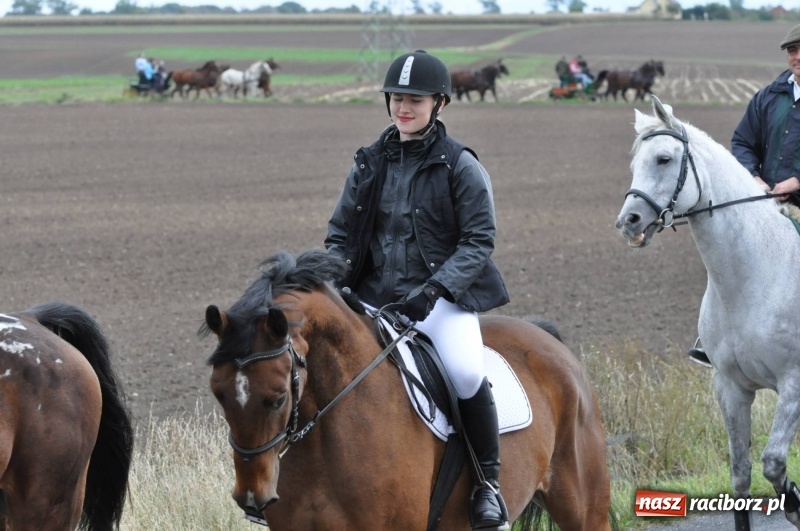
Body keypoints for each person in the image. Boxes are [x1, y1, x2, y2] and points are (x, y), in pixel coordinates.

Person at [325, 49, 511, 530]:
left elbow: (478, 240)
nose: (403, 108)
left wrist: (434, 290)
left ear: (439, 104)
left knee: (466, 372)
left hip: (440, 301)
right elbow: (340, 234)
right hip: (372, 300)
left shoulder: (460, 165)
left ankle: (487, 485)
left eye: (415, 100)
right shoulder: (368, 162)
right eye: (396, 98)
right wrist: (336, 279)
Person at [689, 23, 800, 368]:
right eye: (792, 50)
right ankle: (716, 338)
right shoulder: (769, 96)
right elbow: (742, 142)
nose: (797, 56)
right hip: (764, 202)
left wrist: (797, 182)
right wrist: (753, 176)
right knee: (729, 257)